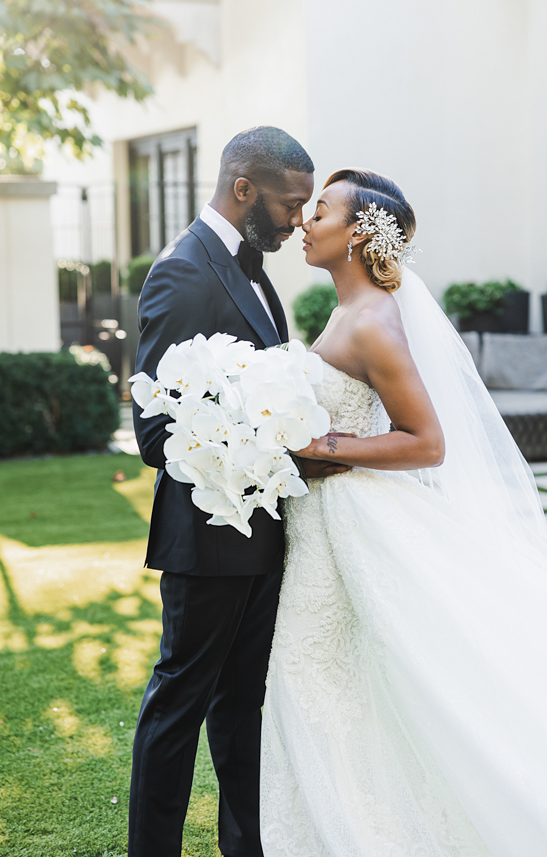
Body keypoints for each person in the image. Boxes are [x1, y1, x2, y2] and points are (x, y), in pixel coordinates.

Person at [260, 167, 547, 857]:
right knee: (340, 683)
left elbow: (427, 441)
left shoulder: (373, 323)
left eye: (320, 213)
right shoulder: (344, 311)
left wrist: (320, 443)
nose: (305, 222)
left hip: (353, 521)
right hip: (326, 522)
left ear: (358, 234)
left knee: (318, 675)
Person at [128, 127, 347, 857]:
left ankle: (245, 846)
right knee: (179, 705)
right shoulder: (184, 273)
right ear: (244, 189)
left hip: (265, 536)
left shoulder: (252, 265)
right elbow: (157, 435)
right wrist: (276, 449)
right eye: (289, 204)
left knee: (242, 705)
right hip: (206, 540)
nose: (297, 219)